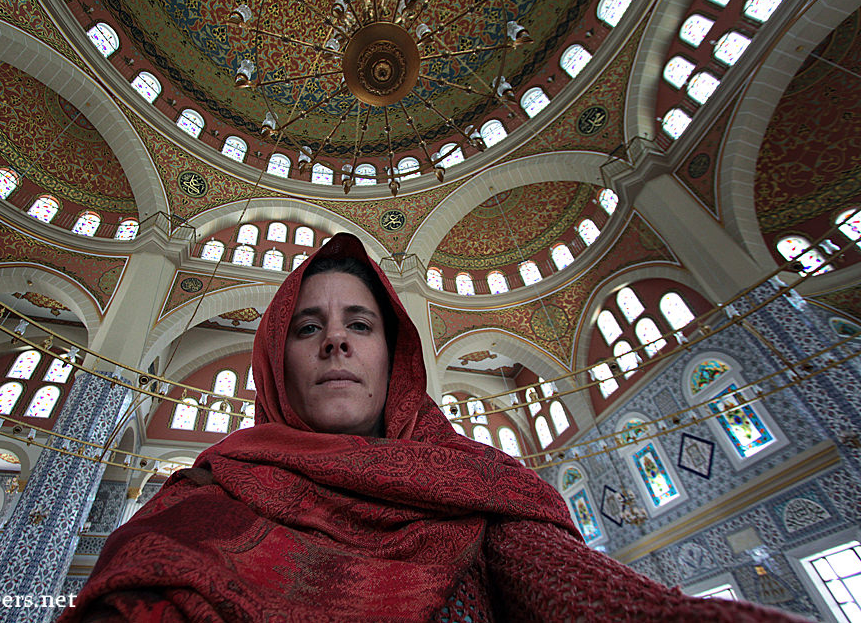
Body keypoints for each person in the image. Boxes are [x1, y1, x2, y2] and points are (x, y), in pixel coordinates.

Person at [62, 233, 803, 622]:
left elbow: (611, 606)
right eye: (307, 327)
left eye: (361, 323)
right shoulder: (203, 499)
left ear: (398, 356)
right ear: (273, 359)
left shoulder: (470, 490)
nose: (336, 342)